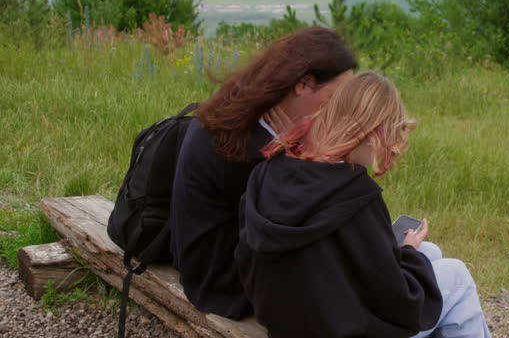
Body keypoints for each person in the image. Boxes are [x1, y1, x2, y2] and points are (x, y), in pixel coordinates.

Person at [236, 71, 491, 338]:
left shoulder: (269, 171)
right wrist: (409, 255)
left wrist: (410, 253)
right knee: (457, 275)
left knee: (430, 251)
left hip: (284, 315)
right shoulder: (354, 195)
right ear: (374, 132)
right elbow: (397, 302)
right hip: (336, 328)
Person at [169, 27, 357, 319]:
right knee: (445, 277)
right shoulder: (252, 146)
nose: (340, 112)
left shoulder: (244, 116)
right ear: (304, 84)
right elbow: (308, 220)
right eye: (335, 99)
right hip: (227, 284)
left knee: (421, 264)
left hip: (227, 265)